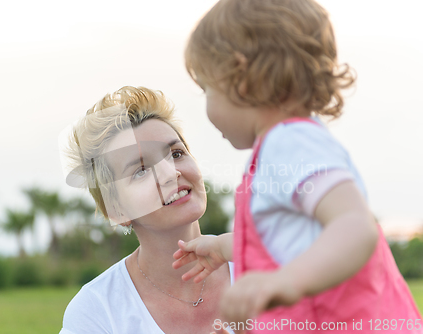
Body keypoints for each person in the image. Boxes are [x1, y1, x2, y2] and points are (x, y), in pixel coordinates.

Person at [173, 0, 422, 333]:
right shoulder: (284, 147)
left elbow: (355, 226)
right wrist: (221, 247)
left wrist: (286, 280)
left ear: (240, 79)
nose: (207, 106)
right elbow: (286, 238)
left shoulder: (288, 143)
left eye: (207, 89)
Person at [58, 86, 234, 334]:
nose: (171, 173)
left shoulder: (269, 264)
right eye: (141, 171)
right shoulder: (97, 311)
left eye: (176, 153)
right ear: (117, 211)